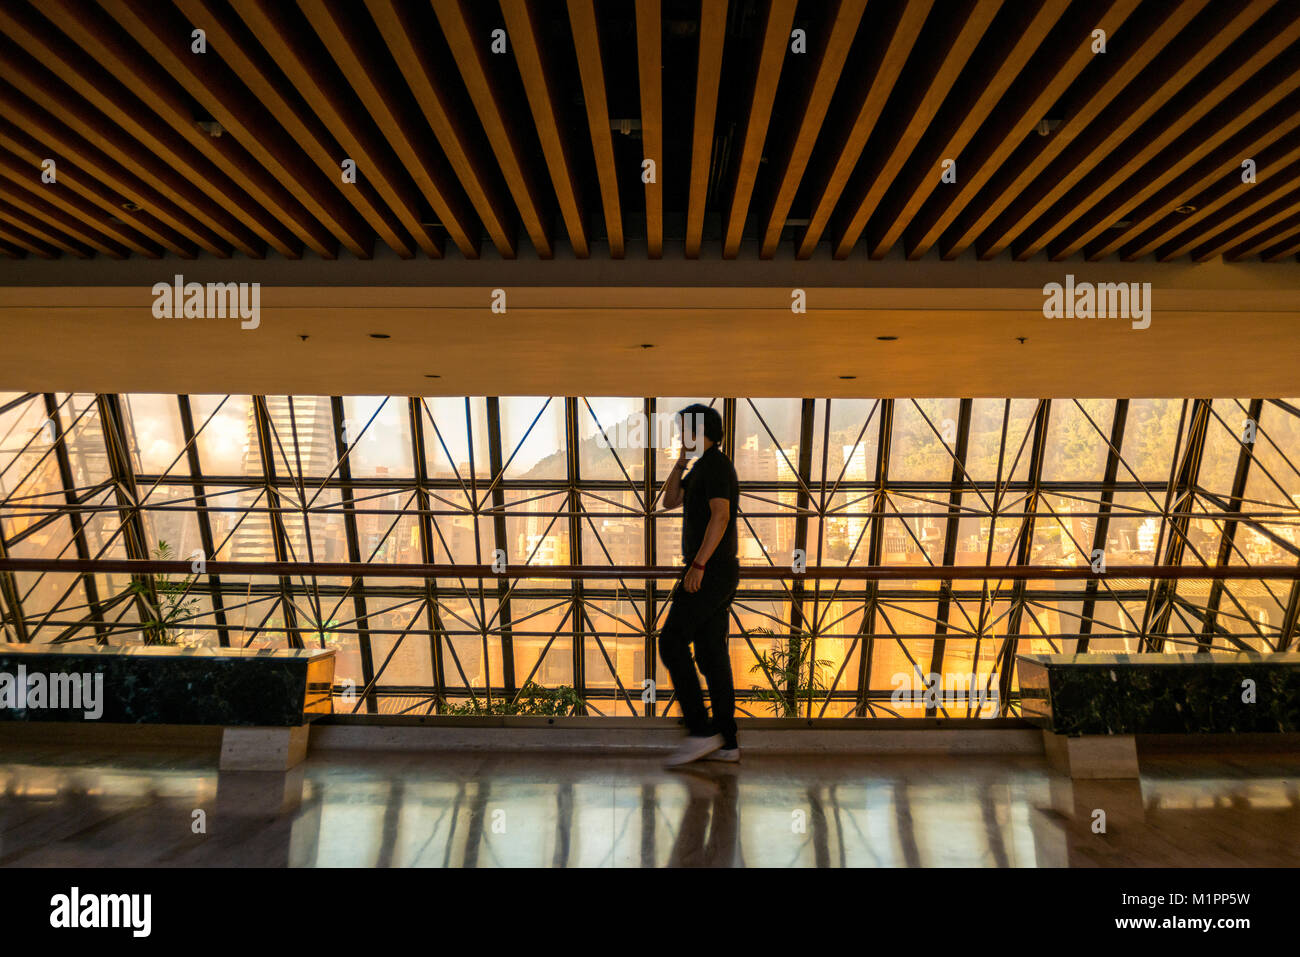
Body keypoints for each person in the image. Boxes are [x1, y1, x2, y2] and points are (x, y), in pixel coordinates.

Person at [658, 403, 741, 767]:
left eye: (682, 430)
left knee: (672, 642)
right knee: (710, 655)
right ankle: (726, 741)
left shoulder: (717, 466)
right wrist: (679, 462)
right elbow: (669, 501)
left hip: (710, 571)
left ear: (697, 430)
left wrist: (699, 564)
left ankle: (701, 731)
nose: (679, 436)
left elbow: (721, 517)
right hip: (712, 570)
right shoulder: (702, 467)